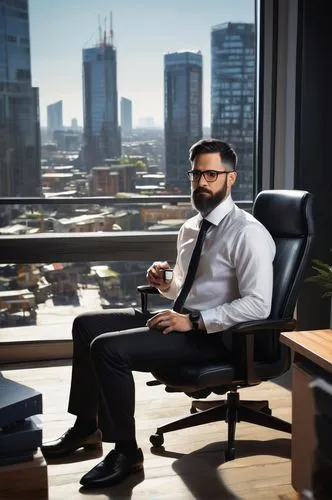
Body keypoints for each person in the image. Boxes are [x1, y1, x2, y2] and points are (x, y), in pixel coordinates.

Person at [41, 139, 276, 489]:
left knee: (107, 348)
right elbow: (188, 286)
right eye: (196, 174)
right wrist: (166, 282)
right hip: (181, 321)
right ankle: (86, 427)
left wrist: (194, 321)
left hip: (212, 338)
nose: (202, 182)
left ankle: (126, 453)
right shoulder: (192, 227)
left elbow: (259, 305)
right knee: (87, 325)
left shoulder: (248, 233)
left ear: (231, 179)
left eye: (212, 174)